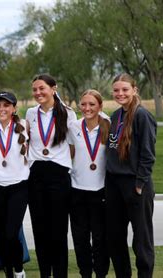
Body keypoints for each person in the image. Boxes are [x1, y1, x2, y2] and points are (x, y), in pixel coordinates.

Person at [25, 74, 76, 278]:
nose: (38, 93)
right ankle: (45, 273)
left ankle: (60, 273)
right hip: (36, 174)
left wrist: (60, 162)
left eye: (42, 88)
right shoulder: (30, 113)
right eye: (35, 89)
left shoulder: (68, 114)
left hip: (59, 174)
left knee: (58, 230)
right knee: (40, 229)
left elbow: (72, 146)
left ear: (53, 88)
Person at [106, 73, 156, 278]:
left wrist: (139, 184)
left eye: (125, 89)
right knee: (115, 238)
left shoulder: (142, 115)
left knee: (141, 239)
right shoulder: (116, 116)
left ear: (134, 90)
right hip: (114, 185)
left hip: (136, 185)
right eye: (116, 90)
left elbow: (147, 154)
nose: (120, 93)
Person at [68, 90, 110, 278]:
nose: (87, 108)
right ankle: (85, 273)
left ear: (100, 106)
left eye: (92, 104)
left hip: (101, 190)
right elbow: (69, 153)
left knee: (101, 238)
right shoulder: (74, 127)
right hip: (77, 189)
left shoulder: (108, 125)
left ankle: (101, 273)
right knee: (80, 238)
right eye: (84, 104)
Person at [0, 91, 29, 278]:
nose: (1, 109)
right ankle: (9, 271)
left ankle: (19, 269)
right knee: (2, 233)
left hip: (19, 186)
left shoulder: (25, 125)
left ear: (14, 108)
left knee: (12, 233)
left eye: (6, 105)